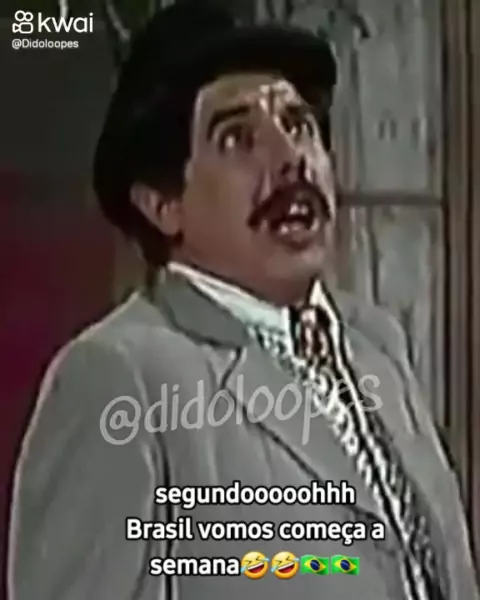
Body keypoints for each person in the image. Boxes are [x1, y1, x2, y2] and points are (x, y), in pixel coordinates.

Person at [7, 2, 478, 599]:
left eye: (299, 125)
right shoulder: (119, 378)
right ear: (163, 204)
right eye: (238, 138)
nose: (290, 159)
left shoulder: (376, 345)